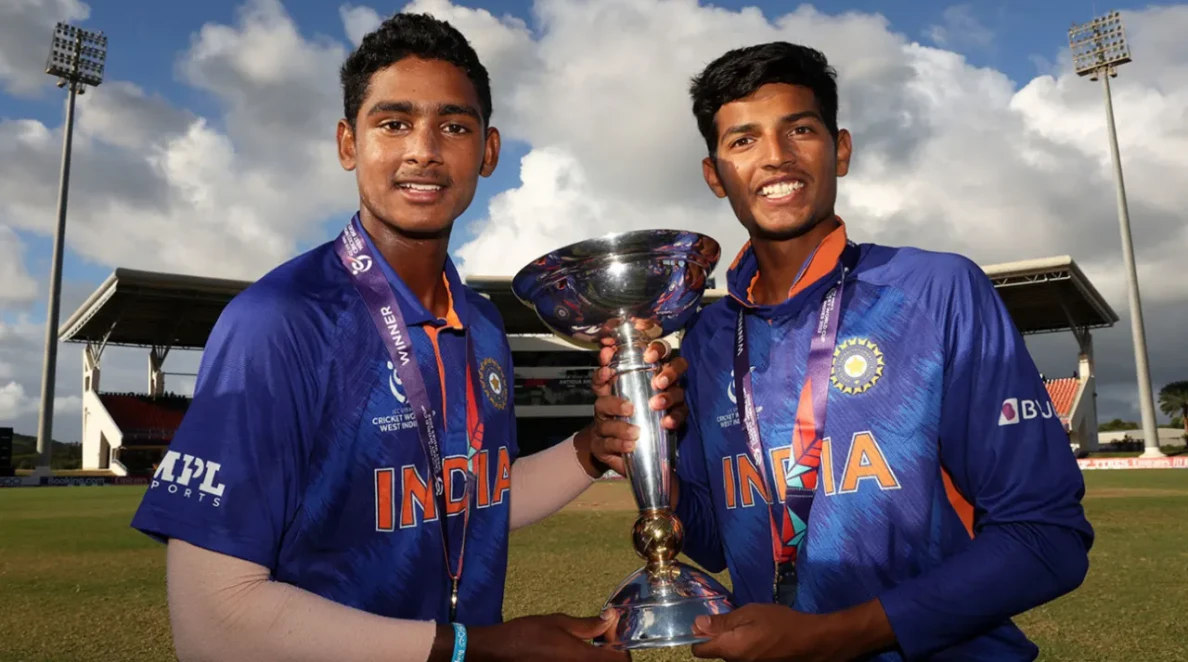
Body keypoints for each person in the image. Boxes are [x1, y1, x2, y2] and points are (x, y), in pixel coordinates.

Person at [129, 13, 688, 662]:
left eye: (454, 126)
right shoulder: (279, 321)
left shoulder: (481, 324)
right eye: (393, 123)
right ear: (348, 143)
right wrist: (471, 647)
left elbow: (469, 502)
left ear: (488, 151)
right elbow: (212, 623)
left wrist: (592, 448)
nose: (423, 150)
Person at [595, 41, 1094, 661]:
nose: (775, 157)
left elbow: (1046, 539)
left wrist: (831, 636)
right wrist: (641, 451)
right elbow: (717, 543)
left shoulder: (936, 291)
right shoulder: (709, 336)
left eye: (800, 130)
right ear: (715, 175)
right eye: (743, 140)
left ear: (841, 150)